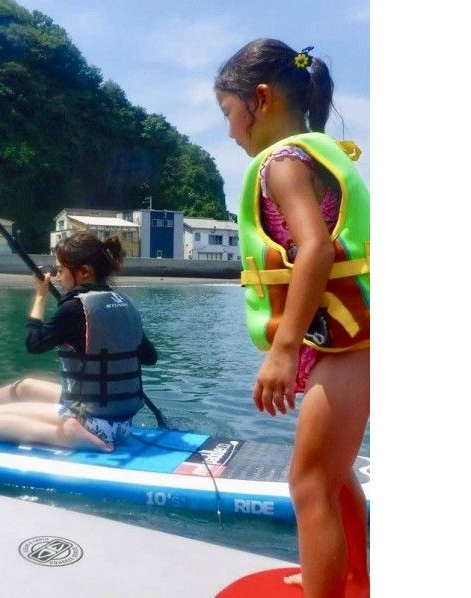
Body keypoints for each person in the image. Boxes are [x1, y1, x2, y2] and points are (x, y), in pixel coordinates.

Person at [214, 39, 370, 597]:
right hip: (347, 342)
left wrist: (282, 352)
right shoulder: (316, 154)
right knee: (334, 474)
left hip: (351, 348)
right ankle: (352, 578)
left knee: (308, 485)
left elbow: (317, 250)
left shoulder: (282, 163)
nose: (231, 131)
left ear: (261, 99)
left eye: (229, 113)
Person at [0, 232, 157, 452]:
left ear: (84, 272)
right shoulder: (125, 304)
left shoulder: (74, 308)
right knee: (26, 387)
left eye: (61, 270)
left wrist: (40, 297)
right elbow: (150, 357)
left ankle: (67, 434)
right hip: (123, 424)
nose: (58, 278)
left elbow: (34, 343)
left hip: (94, 425)